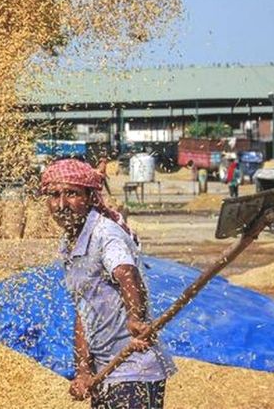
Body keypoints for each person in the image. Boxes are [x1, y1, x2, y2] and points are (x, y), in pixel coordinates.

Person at [41, 159, 175, 408]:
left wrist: (136, 319)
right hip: (104, 372)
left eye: (72, 194)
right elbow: (84, 311)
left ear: (91, 197)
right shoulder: (70, 244)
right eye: (54, 195)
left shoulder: (105, 233)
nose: (61, 204)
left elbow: (127, 274)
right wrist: (82, 370)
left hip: (134, 369)